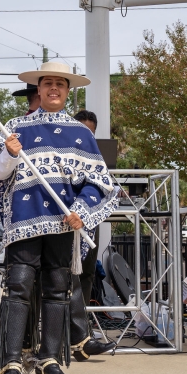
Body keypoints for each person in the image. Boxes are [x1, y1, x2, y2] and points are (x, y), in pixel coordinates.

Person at [0, 62, 118, 374]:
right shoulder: (15, 128)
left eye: (60, 84)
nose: (54, 89)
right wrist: (9, 153)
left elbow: (100, 183)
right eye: (48, 83)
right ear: (39, 88)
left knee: (58, 290)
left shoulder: (81, 134)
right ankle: (11, 366)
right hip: (25, 223)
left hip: (64, 224)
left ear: (68, 90)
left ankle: (50, 361)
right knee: (17, 289)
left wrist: (81, 211)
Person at [73, 110, 99, 306]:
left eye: (90, 132)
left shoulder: (96, 157)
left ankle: (81, 326)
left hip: (88, 221)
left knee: (87, 271)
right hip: (66, 220)